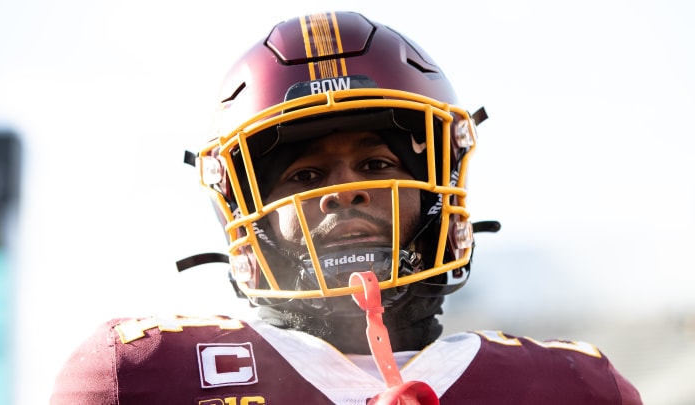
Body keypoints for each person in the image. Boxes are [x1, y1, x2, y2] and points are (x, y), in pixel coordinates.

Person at [50, 11, 642, 404]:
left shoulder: (574, 388)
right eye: (306, 175)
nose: (343, 191)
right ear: (248, 215)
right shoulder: (143, 375)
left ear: (436, 193)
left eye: (377, 166)